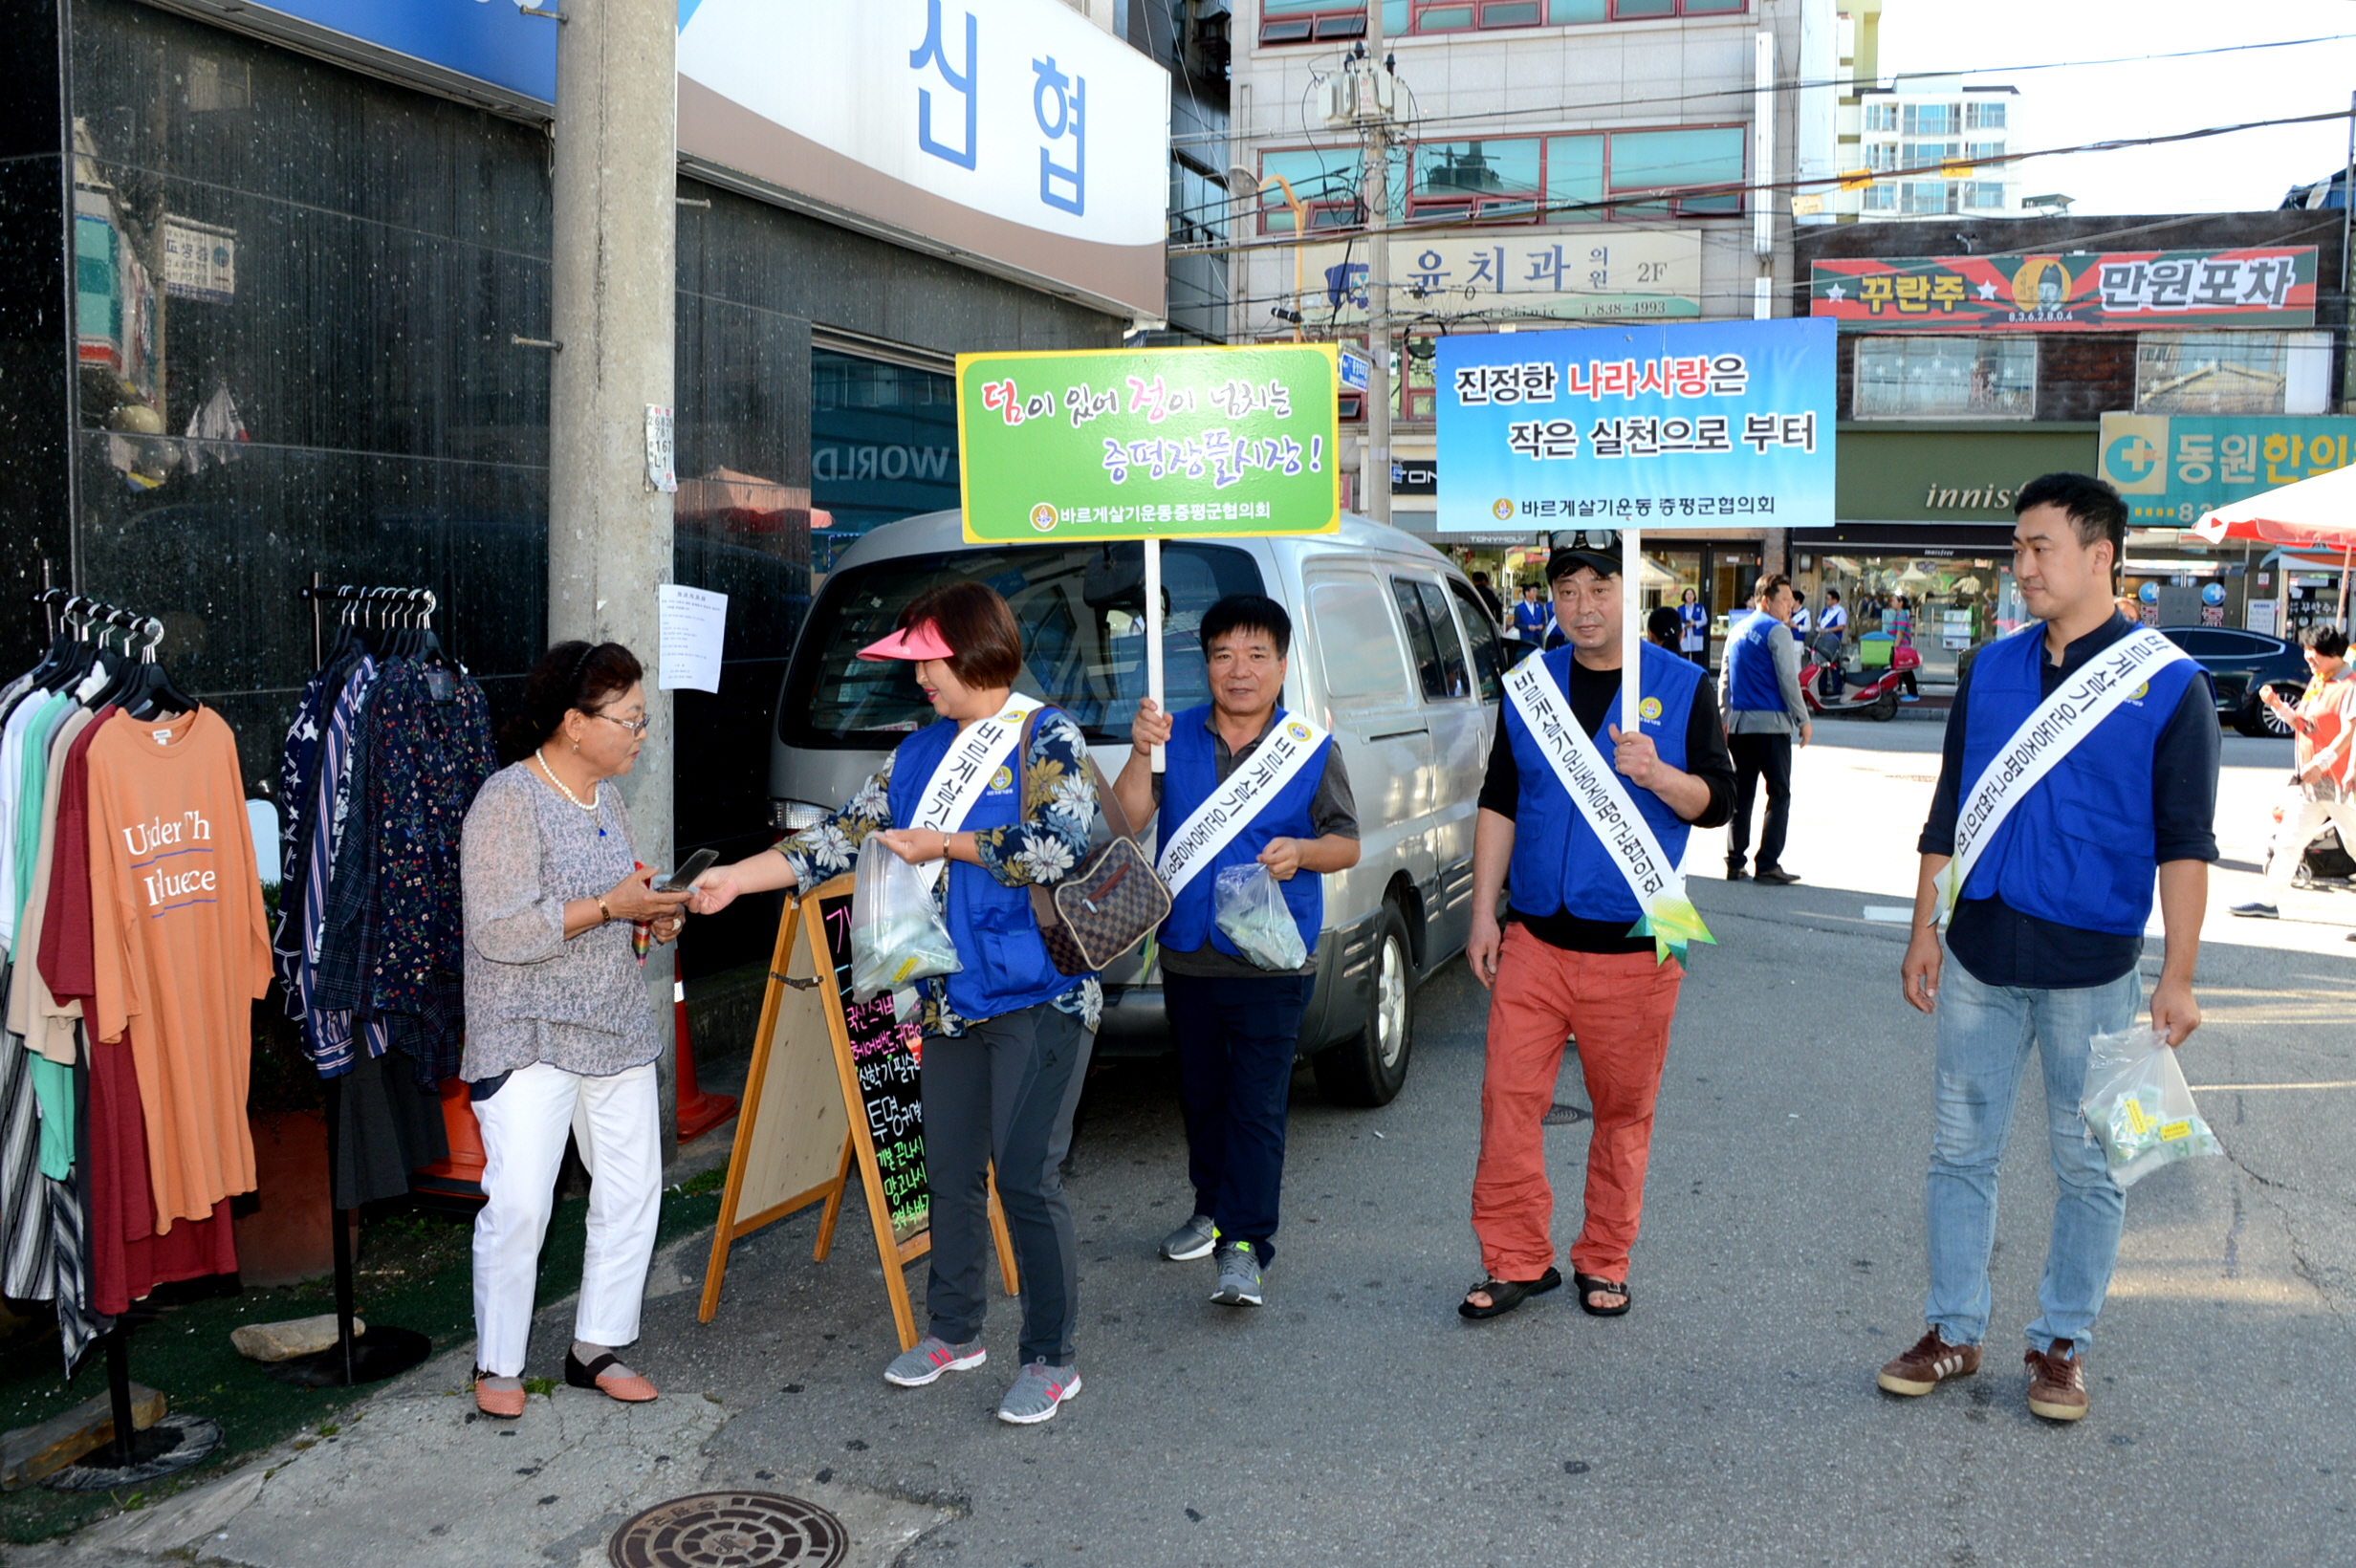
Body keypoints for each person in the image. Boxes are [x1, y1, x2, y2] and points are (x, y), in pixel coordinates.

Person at [688, 582, 1101, 1426]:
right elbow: (838, 838)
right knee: (949, 1172)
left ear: (973, 653)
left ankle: (1051, 1358)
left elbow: (1057, 848)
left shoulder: (1046, 733)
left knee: (1026, 1177)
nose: (920, 680)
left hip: (1041, 996)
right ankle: (955, 1331)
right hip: (948, 1000)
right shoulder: (917, 754)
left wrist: (945, 842)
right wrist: (736, 879)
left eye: (928, 663)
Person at [1887, 472, 2218, 1424]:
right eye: (2017, 547)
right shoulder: (1991, 670)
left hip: (2094, 969)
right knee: (1959, 1152)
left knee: (2091, 1166)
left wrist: (2179, 975)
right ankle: (1953, 1329)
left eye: (2041, 547)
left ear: (2100, 554)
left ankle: (2061, 1342)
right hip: (1979, 955)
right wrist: (1923, 928)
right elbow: (1948, 811)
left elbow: (2184, 843)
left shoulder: (2170, 684)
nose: (2022, 564)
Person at [1461, 536, 1735, 1321]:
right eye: (1567, 591)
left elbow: (1719, 803)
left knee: (1623, 1112)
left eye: (1600, 588)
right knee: (1507, 1101)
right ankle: (1515, 1258)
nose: (1583, 607)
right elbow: (1501, 799)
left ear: (1629, 592)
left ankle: (1605, 1258)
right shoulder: (1530, 685)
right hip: (1535, 937)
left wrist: (1659, 775)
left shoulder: (1683, 685)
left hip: (1640, 936)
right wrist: (1483, 913)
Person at [461, 641, 689, 1420]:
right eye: (629, 719)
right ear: (574, 722)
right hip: (529, 1032)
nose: (641, 734)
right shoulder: (507, 799)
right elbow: (498, 930)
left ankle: (598, 1346)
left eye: (643, 719)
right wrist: (610, 907)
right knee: (521, 1203)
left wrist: (649, 920)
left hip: (613, 1025)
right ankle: (498, 1362)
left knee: (630, 1190)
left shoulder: (607, 802)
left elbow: (614, 909)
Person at [1114, 597, 1361, 1310]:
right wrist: (1140, 752)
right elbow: (1127, 819)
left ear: (1282, 667)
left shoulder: (1309, 748)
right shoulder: (1172, 735)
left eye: (1257, 655)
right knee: (1203, 1096)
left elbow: (1346, 843)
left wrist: (1303, 853)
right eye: (1224, 655)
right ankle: (1211, 1208)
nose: (1240, 670)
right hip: (1188, 953)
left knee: (1255, 1104)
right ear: (1206, 665)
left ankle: (1245, 1243)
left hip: (1271, 959)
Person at [2231, 624, 2356, 925]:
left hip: (2340, 781)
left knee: (2354, 844)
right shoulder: (2319, 680)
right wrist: (2277, 706)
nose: (2308, 657)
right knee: (2289, 839)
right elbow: (2304, 723)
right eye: (2307, 651)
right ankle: (2268, 900)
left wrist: (2322, 763)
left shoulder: (2350, 685)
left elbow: (2349, 732)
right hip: (2310, 781)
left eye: (2313, 653)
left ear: (2332, 653)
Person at [1718, 574, 1811, 885]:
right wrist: (1803, 719)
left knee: (1743, 795)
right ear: (1766, 600)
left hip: (1740, 727)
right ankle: (1768, 863)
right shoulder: (1777, 631)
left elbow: (1725, 680)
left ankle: (1735, 862)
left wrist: (1724, 719)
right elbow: (1788, 679)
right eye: (1784, 600)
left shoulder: (1736, 631)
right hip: (1771, 726)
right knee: (1779, 794)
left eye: (1791, 601)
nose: (1789, 607)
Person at [1514, 583, 1554, 647]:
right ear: (1527, 593)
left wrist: (1542, 625)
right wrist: (1528, 627)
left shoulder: (1539, 606)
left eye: (1536, 591)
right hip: (1526, 638)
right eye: (1534, 591)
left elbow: (1544, 619)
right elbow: (1517, 624)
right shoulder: (1519, 608)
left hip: (1538, 638)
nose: (1536, 593)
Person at [1677, 587, 1709, 664]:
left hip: (1696, 636)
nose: (1689, 596)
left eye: (1691, 594)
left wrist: (1695, 623)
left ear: (1694, 596)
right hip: (1685, 636)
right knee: (1684, 659)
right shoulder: (1680, 609)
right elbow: (1677, 621)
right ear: (1684, 596)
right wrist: (1684, 625)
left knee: (1697, 659)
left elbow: (1704, 620)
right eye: (1687, 594)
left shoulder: (1700, 608)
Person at [1817, 588, 1849, 661]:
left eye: (1828, 599)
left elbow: (1841, 627)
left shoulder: (1840, 611)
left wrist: (1827, 630)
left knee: (1831, 661)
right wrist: (1819, 629)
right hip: (1822, 639)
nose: (1826, 601)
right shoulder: (1825, 610)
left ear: (1834, 600)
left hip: (1833, 640)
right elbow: (1819, 622)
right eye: (1826, 599)